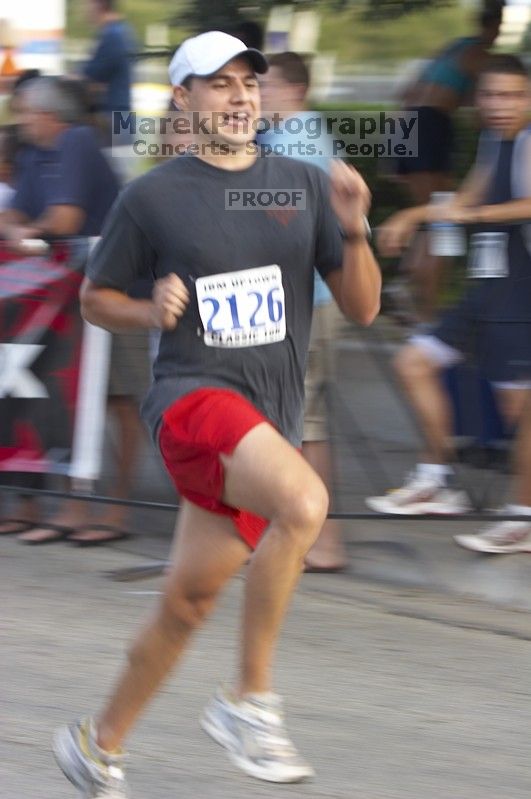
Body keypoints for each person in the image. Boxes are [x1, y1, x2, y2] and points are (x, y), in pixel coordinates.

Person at [52, 30, 381, 795]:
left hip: (268, 418)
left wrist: (354, 223)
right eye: (219, 83)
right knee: (304, 501)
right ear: (183, 97)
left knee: (189, 599)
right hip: (193, 399)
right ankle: (248, 700)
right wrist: (148, 309)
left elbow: (363, 307)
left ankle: (97, 743)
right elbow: (95, 298)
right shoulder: (152, 196)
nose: (238, 97)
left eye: (247, 83)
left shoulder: (300, 185)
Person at [367, 54, 531, 554]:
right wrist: (414, 217)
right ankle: (437, 480)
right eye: (491, 95)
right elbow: (464, 200)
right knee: (413, 363)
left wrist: (469, 217)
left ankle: (523, 516)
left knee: (520, 411)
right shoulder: (492, 140)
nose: (500, 105)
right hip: (489, 286)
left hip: (521, 293)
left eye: (513, 96)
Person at [0, 76, 145, 545]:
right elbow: (11, 215)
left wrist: (26, 232)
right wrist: (22, 230)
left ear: (48, 114)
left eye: (26, 111)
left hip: (117, 290)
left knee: (119, 400)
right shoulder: (34, 154)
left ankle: (118, 510)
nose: (21, 120)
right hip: (70, 294)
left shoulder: (77, 141)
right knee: (68, 396)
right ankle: (74, 506)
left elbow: (66, 219)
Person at [260, 51, 347, 571]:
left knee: (304, 422)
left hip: (304, 300)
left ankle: (323, 539)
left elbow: (285, 223)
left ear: (296, 90)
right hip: (305, 298)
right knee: (296, 420)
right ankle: (309, 534)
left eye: (265, 87)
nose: (256, 96)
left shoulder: (294, 143)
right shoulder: (293, 138)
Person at [395, 5, 502, 321]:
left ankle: (406, 284)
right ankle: (427, 313)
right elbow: (484, 110)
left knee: (432, 216)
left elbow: (407, 91)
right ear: (496, 26)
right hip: (430, 124)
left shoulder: (454, 48)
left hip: (404, 123)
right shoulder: (479, 54)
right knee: (445, 217)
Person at [82, 0, 137, 139]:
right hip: (121, 118)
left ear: (98, 4)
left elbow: (87, 78)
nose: (84, 9)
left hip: (111, 120)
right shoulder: (125, 31)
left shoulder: (112, 36)